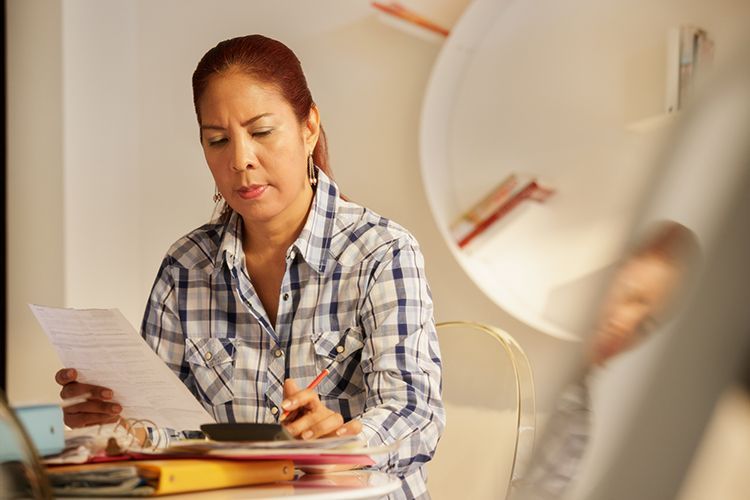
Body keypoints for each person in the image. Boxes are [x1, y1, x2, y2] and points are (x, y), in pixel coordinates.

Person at [54, 34, 444, 499]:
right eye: (217, 140)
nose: (240, 160)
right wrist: (120, 423)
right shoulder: (186, 269)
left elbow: (415, 416)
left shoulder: (381, 253)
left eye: (261, 132)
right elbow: (175, 433)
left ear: (309, 126)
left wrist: (344, 442)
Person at [512, 220, 699, 500]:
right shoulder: (514, 313)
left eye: (645, 326)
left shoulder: (573, 427)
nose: (626, 325)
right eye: (631, 295)